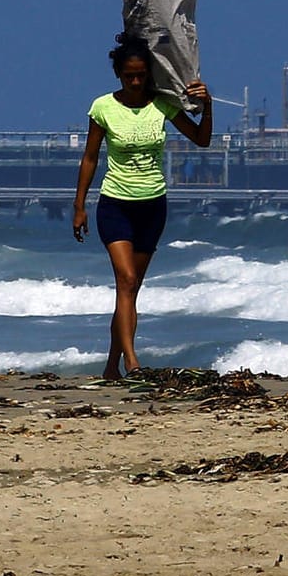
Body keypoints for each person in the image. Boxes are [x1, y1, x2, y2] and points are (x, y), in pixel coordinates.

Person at [72, 33, 211, 380]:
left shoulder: (162, 104)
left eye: (140, 75)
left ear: (149, 73)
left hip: (152, 207)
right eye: (128, 75)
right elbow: (89, 158)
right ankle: (132, 363)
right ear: (118, 74)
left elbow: (201, 139)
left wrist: (207, 107)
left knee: (131, 290)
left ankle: (110, 366)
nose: (135, 82)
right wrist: (79, 205)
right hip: (115, 204)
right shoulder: (103, 107)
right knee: (126, 279)